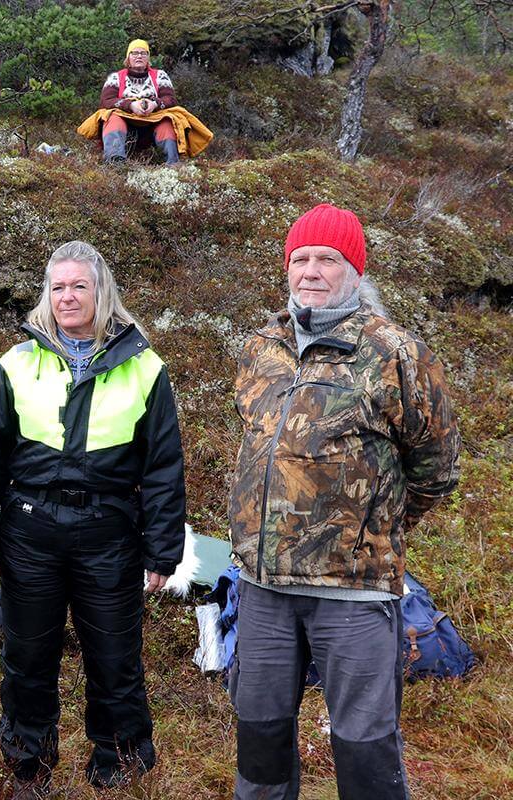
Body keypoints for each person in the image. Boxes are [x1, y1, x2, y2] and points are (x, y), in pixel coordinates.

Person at [228, 203, 461, 800]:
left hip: (353, 593)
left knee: (364, 744)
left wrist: (370, 528)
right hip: (261, 589)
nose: (310, 270)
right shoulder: (262, 346)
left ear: (354, 269)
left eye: (326, 259)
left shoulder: (395, 352)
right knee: (259, 736)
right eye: (300, 258)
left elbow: (436, 466)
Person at [0, 240, 186, 796]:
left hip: (109, 534)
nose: (67, 296)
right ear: (47, 294)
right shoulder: (15, 364)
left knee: (115, 656)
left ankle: (120, 762)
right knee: (28, 657)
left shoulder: (146, 368)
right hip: (29, 532)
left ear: (100, 291)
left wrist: (163, 550)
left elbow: (163, 466)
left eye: (78, 286)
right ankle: (28, 766)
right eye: (57, 287)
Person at [75, 39, 213, 165]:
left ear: (148, 58)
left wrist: (154, 104)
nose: (139, 56)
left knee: (168, 121)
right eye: (134, 53)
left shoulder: (160, 76)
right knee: (111, 117)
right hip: (125, 123)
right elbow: (106, 101)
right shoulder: (115, 78)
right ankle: (114, 161)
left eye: (143, 53)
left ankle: (172, 164)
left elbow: (170, 100)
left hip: (154, 122)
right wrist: (130, 105)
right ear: (128, 58)